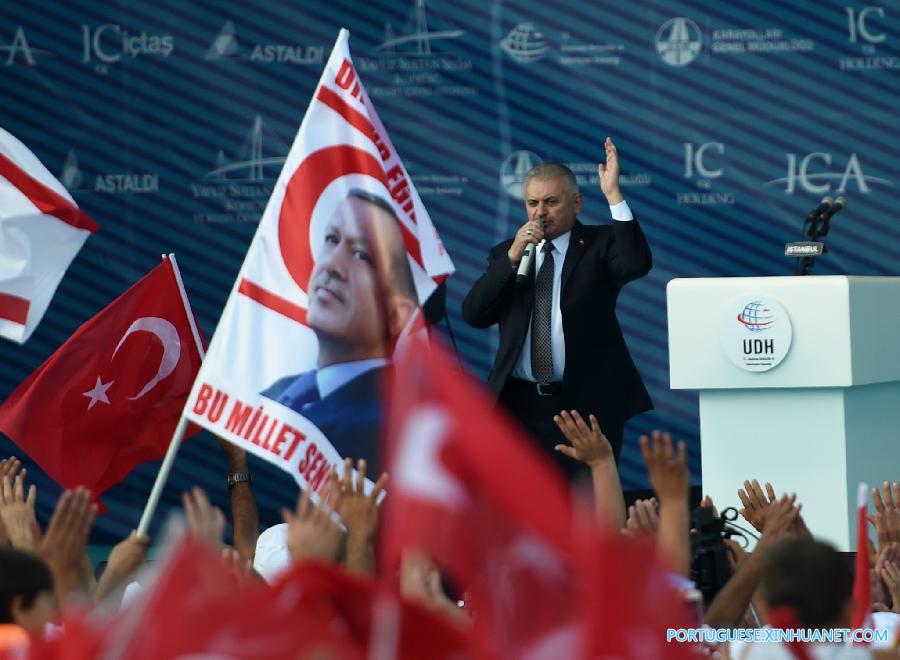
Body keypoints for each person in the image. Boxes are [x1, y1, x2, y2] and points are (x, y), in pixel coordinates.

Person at [462, 137, 652, 477]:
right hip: (521, 406)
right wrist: (509, 259)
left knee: (587, 511)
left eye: (550, 202)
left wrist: (613, 195)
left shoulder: (599, 244)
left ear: (577, 203)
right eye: (532, 202)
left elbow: (635, 263)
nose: (539, 212)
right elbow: (475, 314)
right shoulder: (507, 253)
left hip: (586, 404)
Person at [262, 189, 419, 474]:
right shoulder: (277, 392)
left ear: (397, 315)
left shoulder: (385, 429)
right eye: (331, 240)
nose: (332, 264)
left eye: (361, 255)